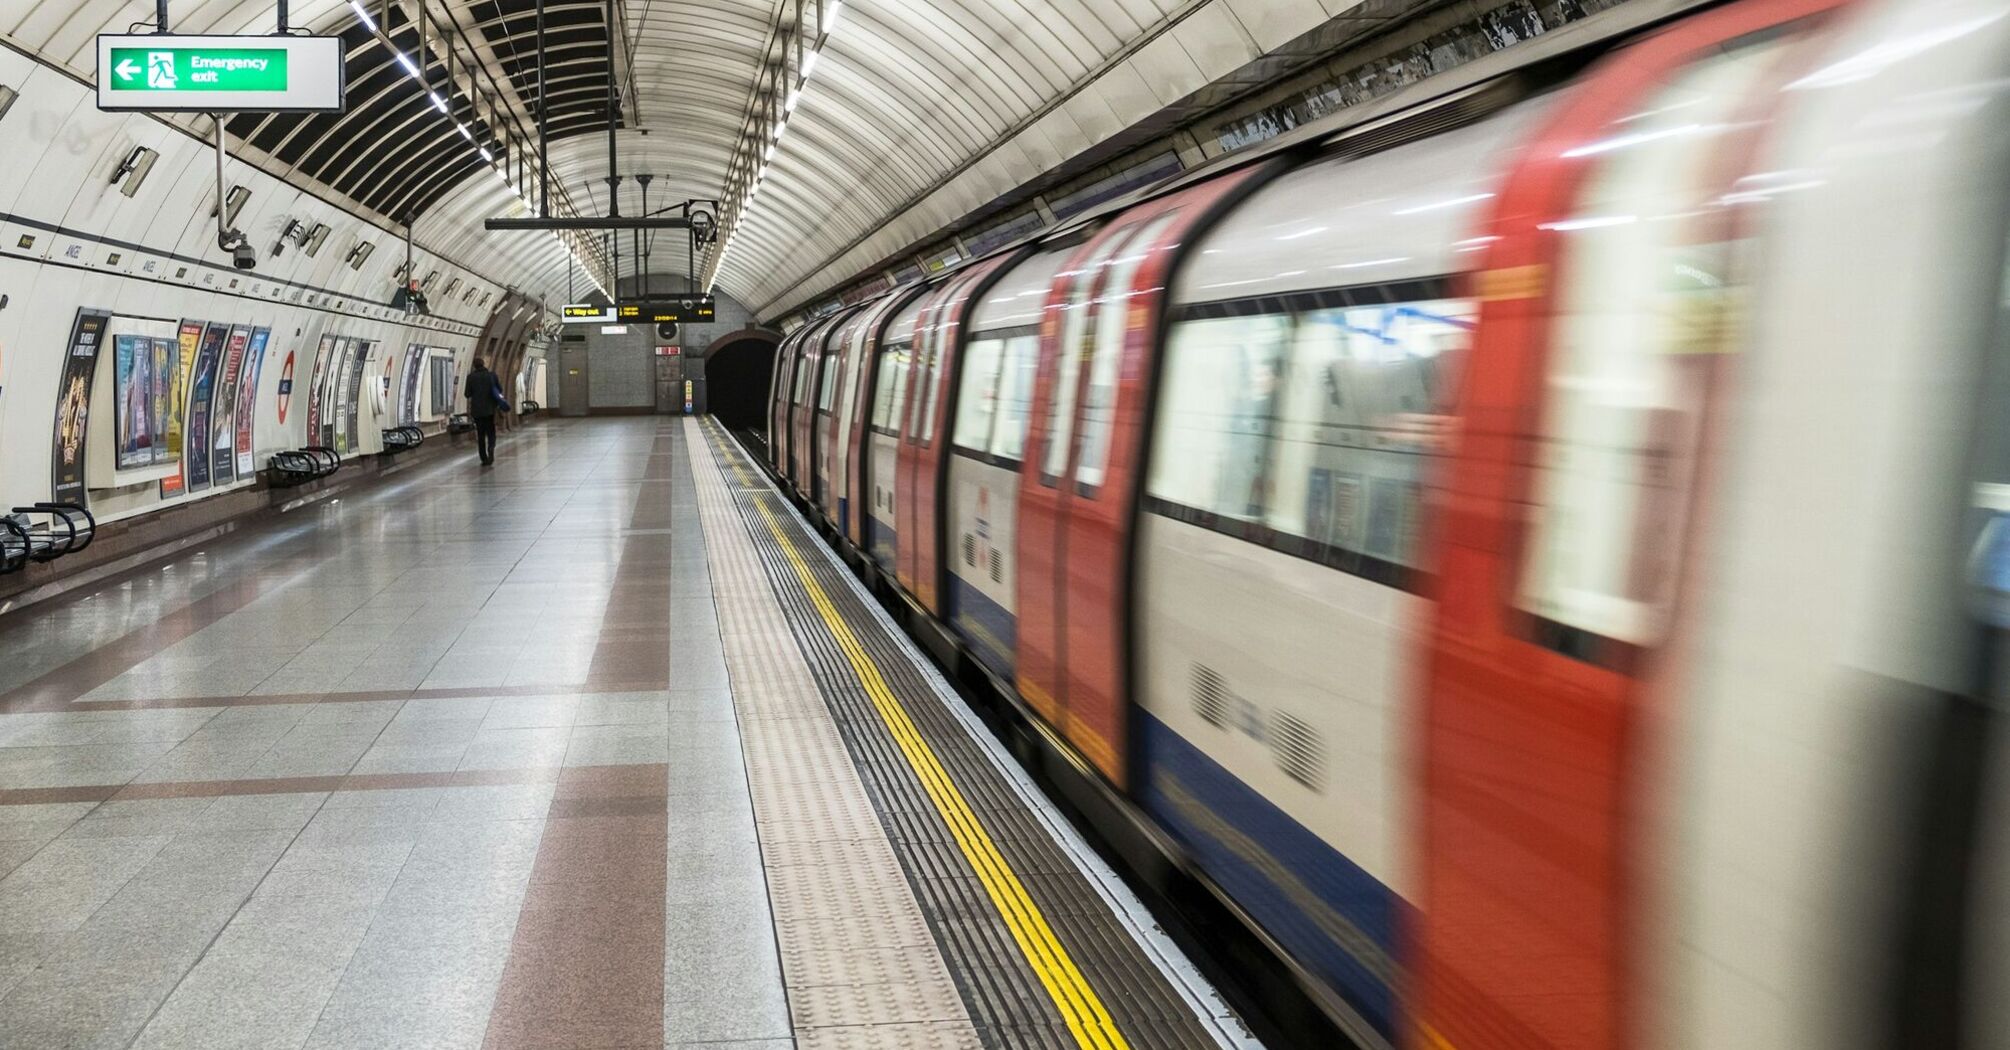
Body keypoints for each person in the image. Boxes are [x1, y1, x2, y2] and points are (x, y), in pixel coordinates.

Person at [463, 356, 508, 465]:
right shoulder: (491, 376)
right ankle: (491, 448)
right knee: (491, 431)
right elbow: (499, 390)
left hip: (477, 411)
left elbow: (467, 394)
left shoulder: (471, 377)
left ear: (474, 366)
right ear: (484, 364)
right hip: (490, 410)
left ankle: (483, 457)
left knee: (480, 434)